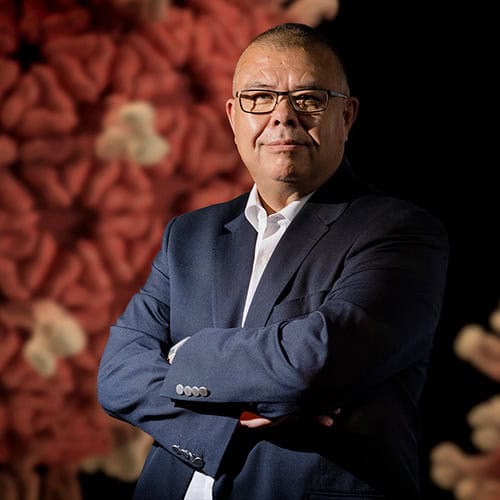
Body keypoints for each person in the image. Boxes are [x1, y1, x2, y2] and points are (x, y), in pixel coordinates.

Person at [97, 22, 449, 500]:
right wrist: (232, 421)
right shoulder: (189, 236)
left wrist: (185, 355)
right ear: (233, 117)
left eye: (308, 99)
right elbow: (119, 374)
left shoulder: (400, 232)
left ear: (346, 116)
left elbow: (316, 357)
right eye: (260, 97)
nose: (282, 116)